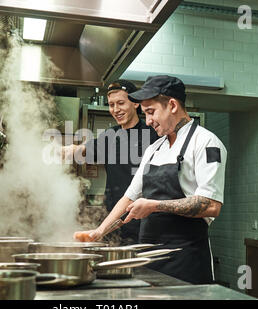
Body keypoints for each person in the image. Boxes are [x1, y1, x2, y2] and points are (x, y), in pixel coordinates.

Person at [74, 75, 227, 285]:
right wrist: (99, 232)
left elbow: (210, 205)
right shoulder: (155, 149)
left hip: (185, 257)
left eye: (151, 112)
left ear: (172, 105)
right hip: (150, 256)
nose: (148, 121)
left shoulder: (206, 142)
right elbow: (129, 197)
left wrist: (154, 205)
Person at [63, 79, 159, 245]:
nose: (116, 110)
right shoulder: (110, 136)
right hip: (112, 221)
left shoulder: (152, 135)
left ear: (135, 104)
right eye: (111, 104)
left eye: (121, 103)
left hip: (143, 222)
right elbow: (84, 149)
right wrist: (67, 149)